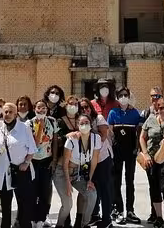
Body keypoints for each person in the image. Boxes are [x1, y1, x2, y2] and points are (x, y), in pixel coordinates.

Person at [0, 102, 37, 228]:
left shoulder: (24, 127)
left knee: (23, 204)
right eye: (5, 112)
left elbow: (32, 149)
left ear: (16, 113)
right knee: (5, 205)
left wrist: (26, 162)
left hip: (21, 171)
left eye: (11, 112)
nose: (8, 114)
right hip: (4, 173)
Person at [140, 98, 164, 228]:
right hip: (151, 160)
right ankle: (159, 217)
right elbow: (142, 137)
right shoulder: (150, 120)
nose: (162, 110)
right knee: (154, 188)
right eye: (160, 108)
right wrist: (145, 154)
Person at [57, 113, 99, 228]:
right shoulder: (72, 139)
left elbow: (94, 160)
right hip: (62, 173)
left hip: (78, 173)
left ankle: (84, 224)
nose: (84, 125)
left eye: (87, 123)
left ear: (91, 124)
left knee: (92, 195)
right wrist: (67, 182)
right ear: (77, 125)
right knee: (67, 204)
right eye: (81, 123)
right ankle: (59, 225)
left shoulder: (96, 138)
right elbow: (65, 163)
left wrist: (90, 180)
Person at [107, 87, 142, 224]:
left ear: (129, 96)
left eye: (125, 95)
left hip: (130, 152)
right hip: (117, 152)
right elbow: (110, 133)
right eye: (121, 95)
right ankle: (118, 209)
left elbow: (139, 132)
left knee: (130, 181)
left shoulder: (134, 113)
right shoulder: (113, 113)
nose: (123, 97)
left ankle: (130, 210)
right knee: (116, 181)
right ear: (117, 97)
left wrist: (137, 149)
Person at [78, 98, 112, 228]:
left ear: (91, 108)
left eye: (87, 107)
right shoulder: (81, 122)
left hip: (102, 158)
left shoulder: (98, 118)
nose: (85, 109)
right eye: (82, 108)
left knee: (104, 190)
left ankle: (107, 218)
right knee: (93, 188)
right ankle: (95, 215)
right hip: (89, 160)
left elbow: (103, 136)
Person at [27, 100, 58, 228]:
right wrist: (39, 126)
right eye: (39, 107)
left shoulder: (52, 121)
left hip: (47, 160)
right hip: (33, 161)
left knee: (45, 190)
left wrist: (54, 159)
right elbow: (35, 143)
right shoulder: (29, 123)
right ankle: (33, 218)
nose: (42, 110)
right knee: (33, 191)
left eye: (44, 107)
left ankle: (42, 217)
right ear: (35, 109)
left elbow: (55, 141)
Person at [53, 96, 80, 228]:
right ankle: (63, 223)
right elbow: (56, 139)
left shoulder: (81, 120)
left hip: (77, 166)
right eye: (71, 104)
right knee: (67, 201)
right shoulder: (60, 121)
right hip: (62, 163)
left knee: (87, 195)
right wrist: (66, 136)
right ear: (66, 105)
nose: (73, 106)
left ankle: (80, 222)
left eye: (76, 104)